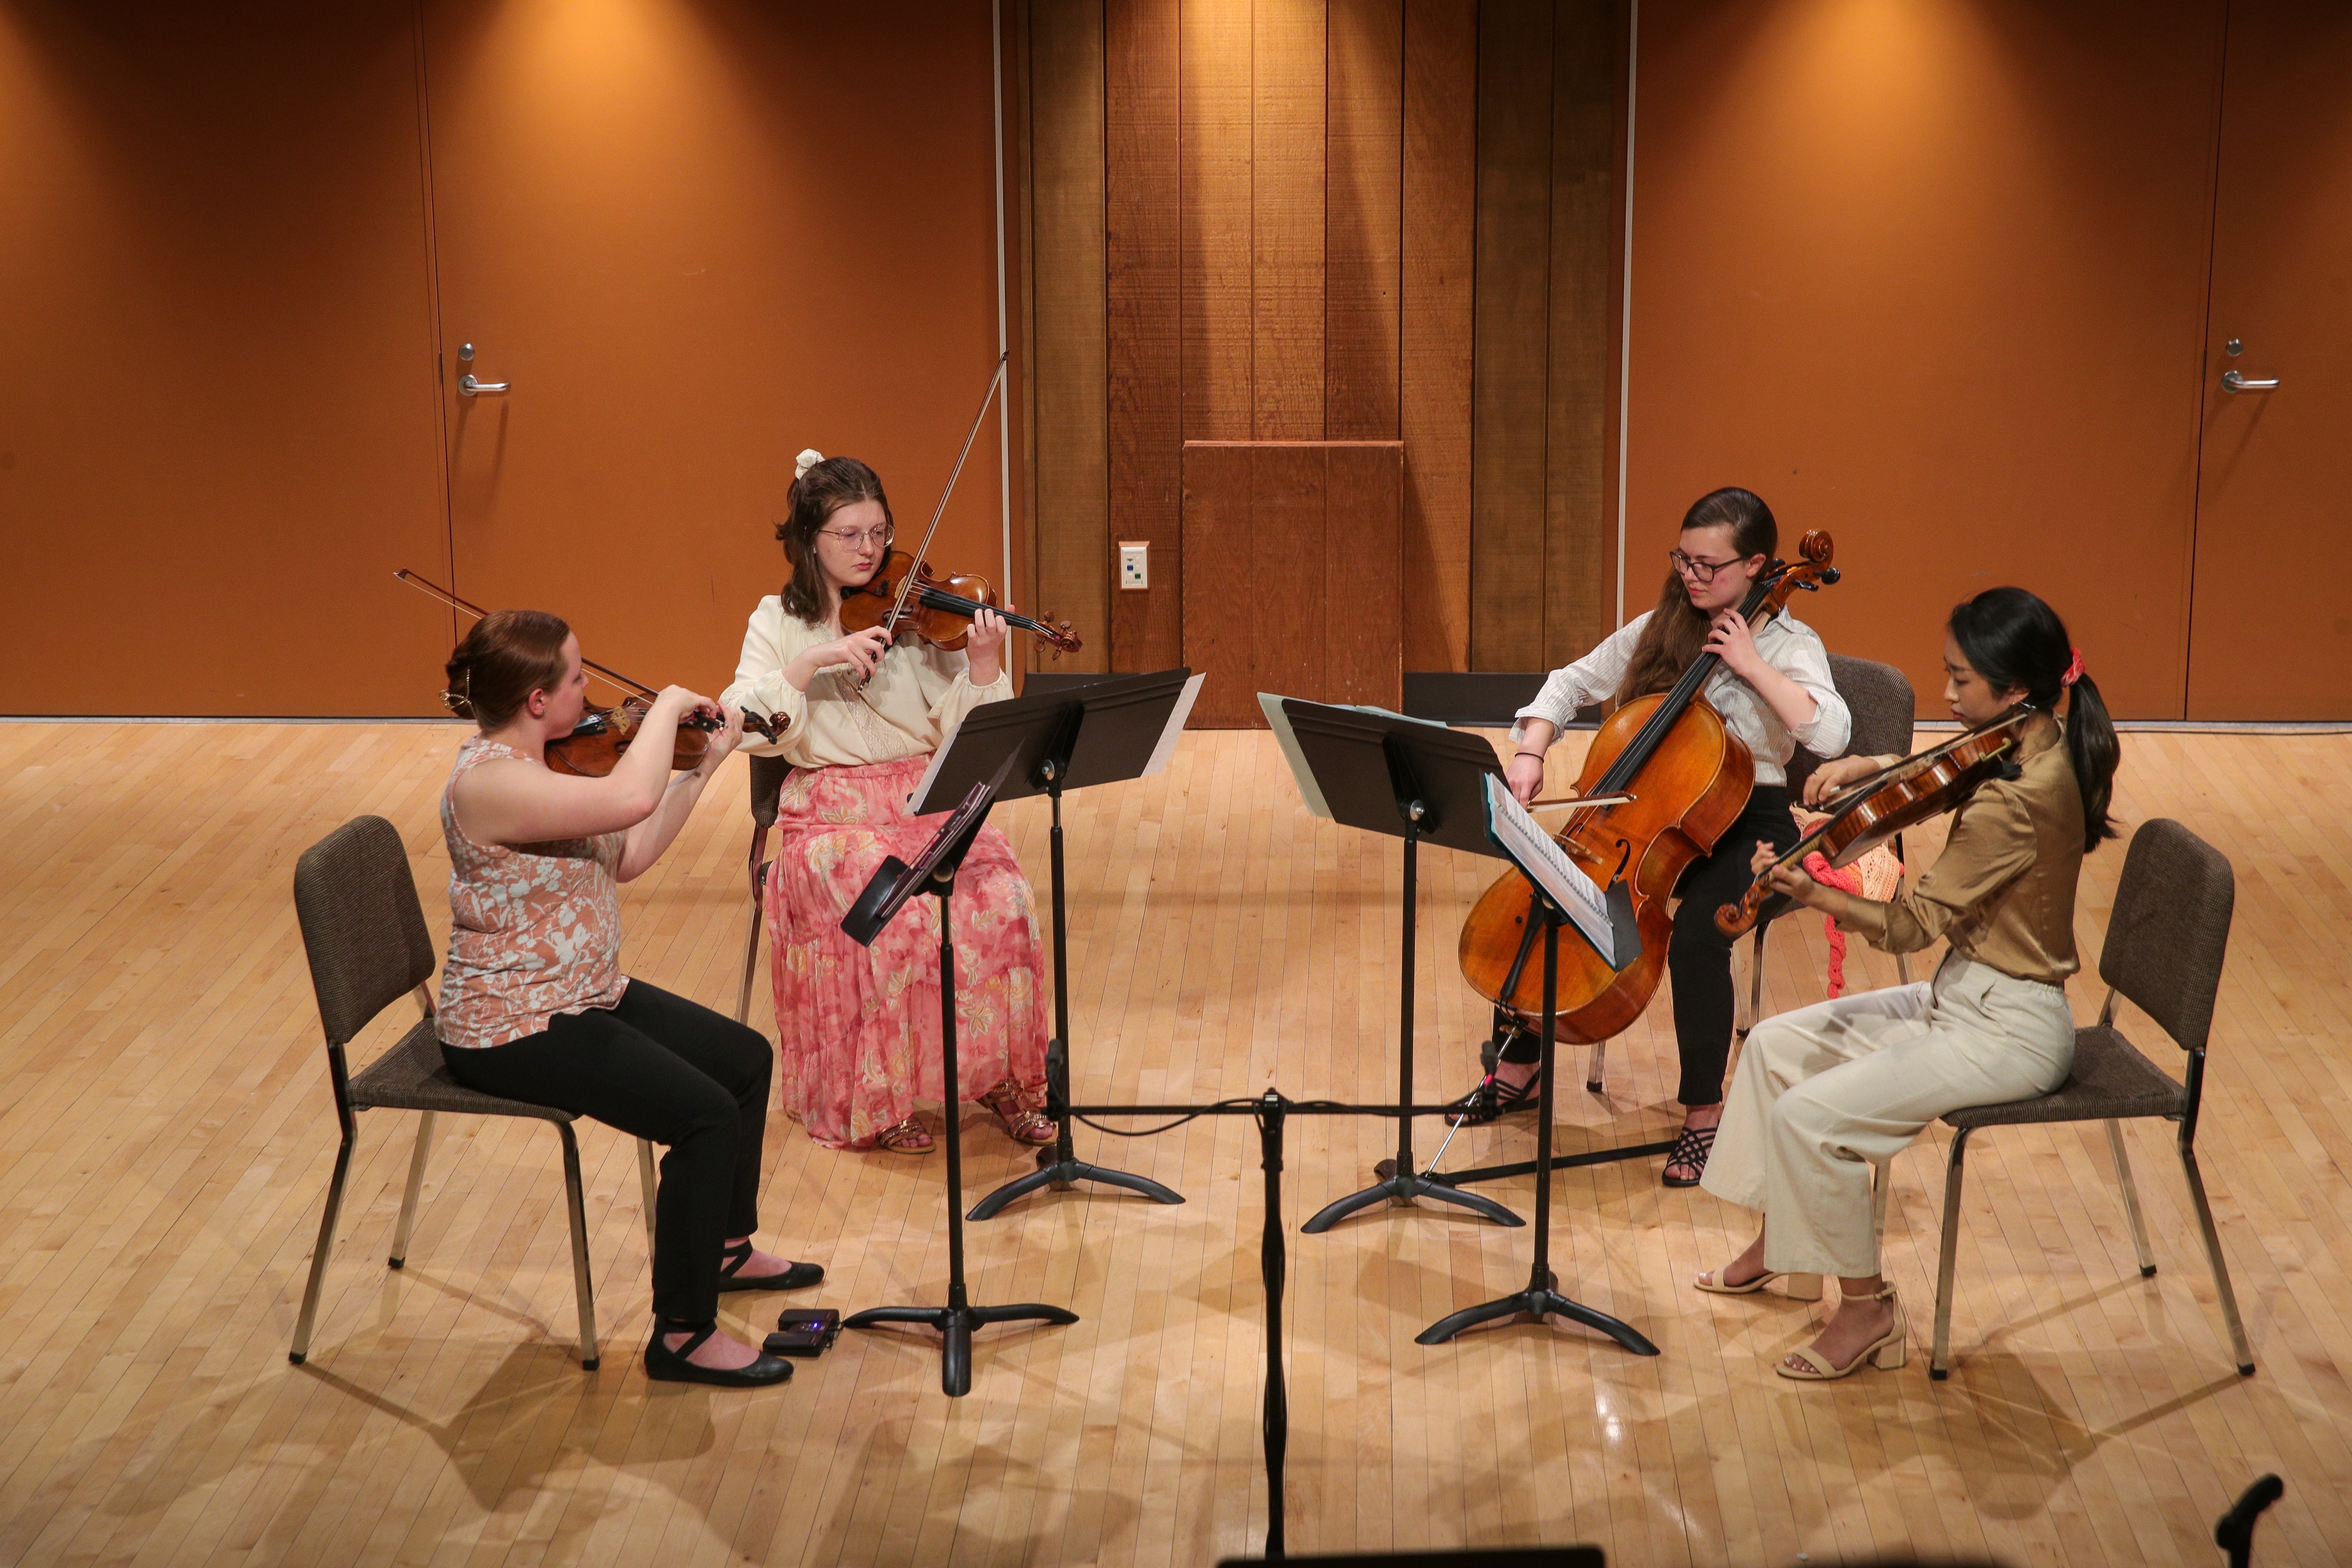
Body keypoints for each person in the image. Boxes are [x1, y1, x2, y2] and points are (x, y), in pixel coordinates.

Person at [1695, 586, 2120, 1380]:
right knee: (1777, 1047)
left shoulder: (2018, 805)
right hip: (1967, 999)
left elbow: (1910, 927)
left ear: (2014, 690)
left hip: (2008, 1031)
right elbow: (1948, 772)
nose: (1950, 695)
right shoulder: (2030, 736)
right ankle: (1789, 1239)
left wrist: (1818, 890)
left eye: (1962, 681)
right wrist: (1872, 764)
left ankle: (1868, 1312)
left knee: (1812, 1116)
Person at [434, 609, 818, 1390]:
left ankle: (723, 1250)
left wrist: (704, 765)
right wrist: (673, 702)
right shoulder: (492, 784)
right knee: (704, 1116)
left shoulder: (558, 766)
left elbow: (632, 852)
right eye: (577, 677)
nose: (592, 689)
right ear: (538, 701)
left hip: (582, 994)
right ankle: (681, 1334)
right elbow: (632, 803)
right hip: (513, 1024)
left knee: (744, 1061)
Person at [1469, 487, 1852, 1186]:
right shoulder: (1664, 624)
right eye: (1684, 560)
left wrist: (1752, 665)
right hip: (1644, 814)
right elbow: (1568, 682)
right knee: (1552, 889)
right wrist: (1531, 748)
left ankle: (1704, 1114)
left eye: (1710, 566)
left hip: (1750, 821)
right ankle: (1519, 1065)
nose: (1692, 577)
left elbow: (1830, 731)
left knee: (1702, 938)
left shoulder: (1792, 644)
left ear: (1758, 565)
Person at [722, 450, 1051, 1155]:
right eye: (850, 534)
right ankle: (883, 1090)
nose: (870, 550)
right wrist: (809, 666)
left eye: (879, 531)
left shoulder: (918, 611)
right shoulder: (777, 621)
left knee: (1003, 897)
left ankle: (995, 1072)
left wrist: (985, 667)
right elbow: (738, 715)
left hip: (923, 793)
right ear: (811, 540)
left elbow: (968, 737)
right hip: (832, 810)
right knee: (895, 916)